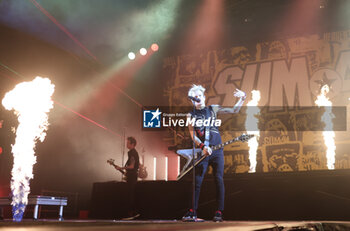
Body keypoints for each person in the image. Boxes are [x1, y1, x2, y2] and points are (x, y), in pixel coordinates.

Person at [182, 84, 246, 222]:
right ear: (191, 100)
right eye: (194, 97)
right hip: (203, 151)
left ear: (204, 97)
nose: (197, 98)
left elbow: (234, 110)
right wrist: (202, 146)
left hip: (217, 150)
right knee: (197, 181)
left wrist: (242, 98)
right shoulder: (190, 115)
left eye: (199, 96)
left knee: (218, 179)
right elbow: (193, 136)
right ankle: (192, 211)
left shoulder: (213, 109)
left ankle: (219, 212)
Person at [114, 136, 140, 220]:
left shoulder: (132, 152)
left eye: (128, 143)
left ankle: (132, 213)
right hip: (132, 175)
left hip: (132, 176)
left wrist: (121, 168)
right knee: (130, 194)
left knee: (130, 195)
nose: (126, 144)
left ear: (132, 144)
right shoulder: (133, 152)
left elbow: (132, 166)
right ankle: (132, 213)